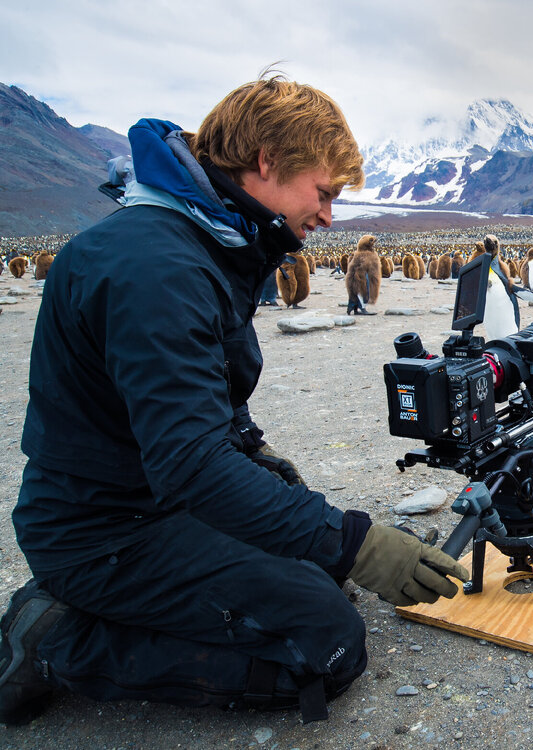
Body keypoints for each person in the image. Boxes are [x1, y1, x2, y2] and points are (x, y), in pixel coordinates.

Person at [0, 74, 468, 726]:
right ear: (267, 162)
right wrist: (361, 546)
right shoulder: (157, 267)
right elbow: (190, 463)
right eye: (325, 192)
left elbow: (203, 404)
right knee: (325, 637)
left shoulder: (203, 242)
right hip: (102, 532)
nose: (331, 216)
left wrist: (258, 458)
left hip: (152, 506)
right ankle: (53, 639)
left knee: (314, 562)